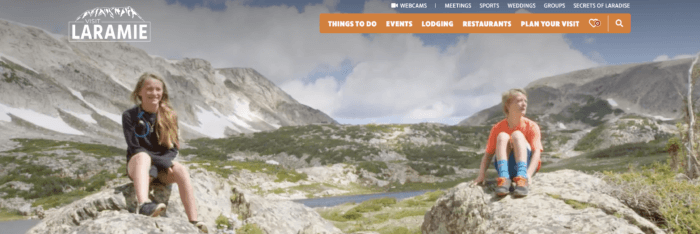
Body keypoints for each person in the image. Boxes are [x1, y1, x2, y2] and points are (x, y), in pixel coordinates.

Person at [122, 72, 207, 232]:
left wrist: (157, 168)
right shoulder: (129, 116)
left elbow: (173, 148)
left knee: (181, 170)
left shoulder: (170, 116)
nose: (154, 93)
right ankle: (144, 205)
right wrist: (154, 166)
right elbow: (134, 147)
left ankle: (193, 221)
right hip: (139, 167)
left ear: (163, 92)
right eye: (149, 89)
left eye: (158, 89)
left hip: (159, 169)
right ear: (139, 92)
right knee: (143, 156)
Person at [472, 88, 543, 197]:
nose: (524, 104)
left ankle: (522, 178)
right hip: (506, 166)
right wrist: (481, 175)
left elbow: (536, 152)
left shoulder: (532, 126)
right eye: (519, 101)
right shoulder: (497, 128)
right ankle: (504, 178)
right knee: (502, 136)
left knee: (517, 135)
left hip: (526, 166)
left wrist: (529, 174)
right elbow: (488, 155)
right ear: (508, 105)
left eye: (525, 101)